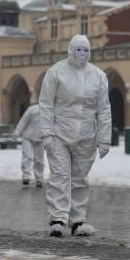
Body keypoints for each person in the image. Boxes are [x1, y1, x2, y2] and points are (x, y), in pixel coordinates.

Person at [39, 34, 112, 237]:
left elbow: (104, 109)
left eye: (86, 50)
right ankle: (57, 218)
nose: (82, 54)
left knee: (80, 178)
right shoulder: (56, 72)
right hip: (59, 134)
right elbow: (46, 104)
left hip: (87, 136)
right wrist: (46, 134)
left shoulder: (98, 76)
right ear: (70, 50)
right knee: (60, 176)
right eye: (78, 49)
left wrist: (104, 138)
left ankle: (77, 221)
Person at [13, 104, 45, 187]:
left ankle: (39, 178)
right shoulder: (32, 110)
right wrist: (17, 133)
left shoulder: (51, 112)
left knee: (39, 159)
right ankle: (26, 176)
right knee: (27, 156)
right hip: (27, 137)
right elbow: (23, 121)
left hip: (41, 138)